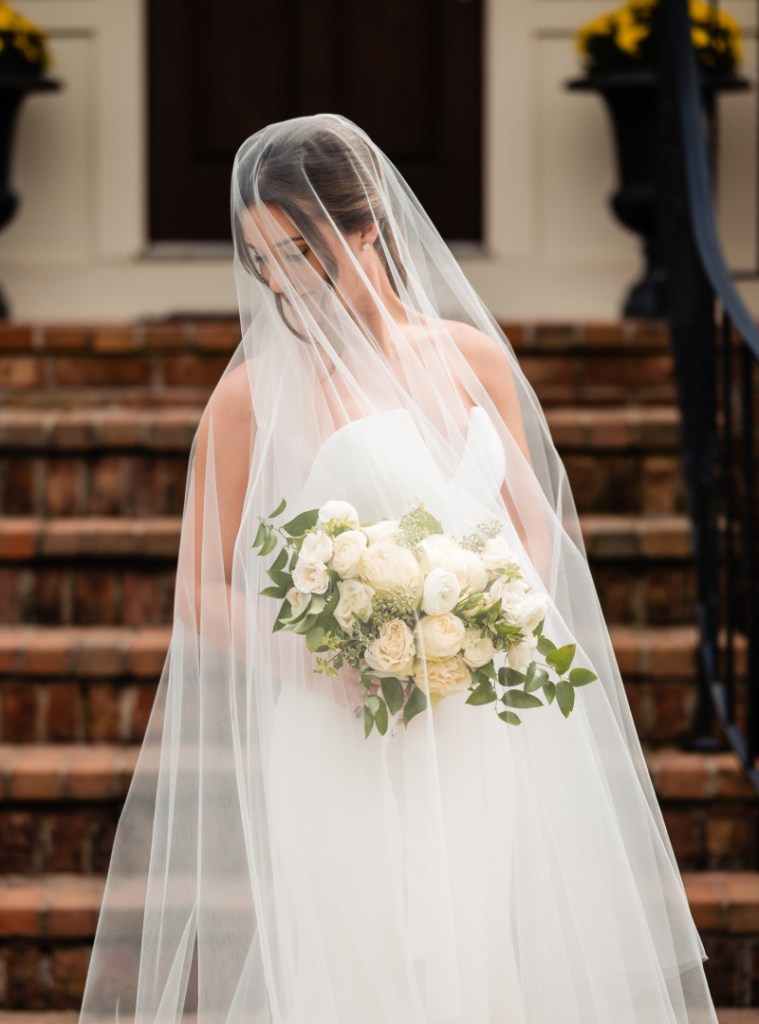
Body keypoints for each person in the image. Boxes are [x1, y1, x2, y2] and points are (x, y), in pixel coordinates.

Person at [78, 113, 719, 1023]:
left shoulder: (472, 358)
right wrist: (330, 663)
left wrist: (491, 625)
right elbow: (199, 591)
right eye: (261, 261)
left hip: (472, 726)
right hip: (343, 728)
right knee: (360, 959)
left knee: (476, 956)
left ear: (368, 227)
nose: (281, 283)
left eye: (300, 251)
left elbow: (529, 529)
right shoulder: (250, 395)